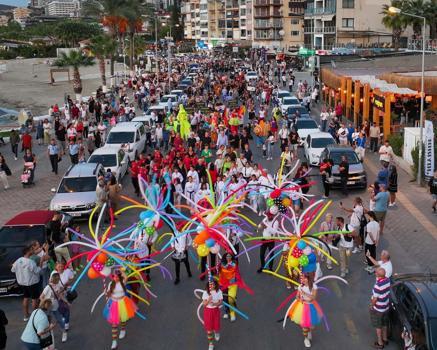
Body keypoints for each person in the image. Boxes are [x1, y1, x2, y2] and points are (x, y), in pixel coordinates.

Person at [103, 269, 138, 350]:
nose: (115, 278)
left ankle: (123, 330)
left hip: (123, 302)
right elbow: (108, 294)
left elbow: (126, 276)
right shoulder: (111, 284)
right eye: (114, 276)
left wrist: (121, 271)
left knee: (123, 319)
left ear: (119, 277)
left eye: (116, 276)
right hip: (114, 304)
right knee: (114, 324)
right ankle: (114, 342)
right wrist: (106, 292)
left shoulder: (123, 283)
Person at [287, 273, 324, 348]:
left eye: (304, 278)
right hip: (302, 307)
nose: (303, 280)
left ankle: (309, 331)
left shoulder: (314, 287)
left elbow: (313, 298)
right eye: (301, 279)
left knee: (312, 326)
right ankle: (306, 339)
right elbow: (297, 296)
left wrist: (304, 293)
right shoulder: (300, 286)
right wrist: (299, 298)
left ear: (308, 278)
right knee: (304, 326)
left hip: (312, 307)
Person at [11, 245, 41, 321]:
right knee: (34, 299)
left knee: (26, 298)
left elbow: (12, 270)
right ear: (28, 252)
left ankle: (26, 316)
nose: (32, 251)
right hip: (32, 283)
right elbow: (37, 271)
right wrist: (41, 262)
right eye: (31, 250)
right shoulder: (30, 262)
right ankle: (35, 316)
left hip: (22, 283)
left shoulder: (18, 260)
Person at [40, 271, 68, 343]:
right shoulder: (48, 287)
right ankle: (49, 334)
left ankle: (64, 332)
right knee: (47, 321)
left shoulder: (58, 284)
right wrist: (46, 302)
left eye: (58, 279)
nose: (57, 280)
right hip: (48, 308)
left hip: (55, 306)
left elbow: (60, 292)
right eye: (56, 279)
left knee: (59, 320)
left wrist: (65, 298)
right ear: (52, 278)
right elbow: (41, 297)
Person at [370, 267, 391, 349]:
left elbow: (375, 299)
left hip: (378, 309)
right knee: (385, 323)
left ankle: (380, 343)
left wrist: (371, 305)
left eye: (376, 272)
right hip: (386, 306)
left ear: (378, 275)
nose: (375, 273)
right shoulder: (388, 280)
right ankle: (385, 339)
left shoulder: (377, 286)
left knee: (378, 326)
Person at [202, 280, 223, 350]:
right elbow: (204, 304)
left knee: (216, 326)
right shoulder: (205, 292)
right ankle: (211, 344)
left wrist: (215, 304)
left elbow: (220, 302)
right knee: (209, 330)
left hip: (215, 311)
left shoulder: (219, 292)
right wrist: (208, 300)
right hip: (208, 312)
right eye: (210, 284)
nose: (212, 286)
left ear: (216, 285)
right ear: (208, 285)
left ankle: (216, 332)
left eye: (213, 284)